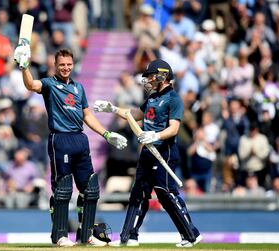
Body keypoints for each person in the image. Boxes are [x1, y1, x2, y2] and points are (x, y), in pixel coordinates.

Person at [13, 46, 128, 247]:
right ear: (55, 66)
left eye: (68, 64)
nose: (65, 68)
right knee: (63, 190)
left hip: (80, 140)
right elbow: (31, 85)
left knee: (90, 189)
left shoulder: (79, 88)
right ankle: (59, 236)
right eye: (62, 65)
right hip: (61, 139)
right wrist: (24, 67)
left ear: (73, 65)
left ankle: (87, 235)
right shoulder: (49, 84)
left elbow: (88, 116)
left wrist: (107, 134)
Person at [94, 59, 202, 247]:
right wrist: (112, 108)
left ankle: (191, 234)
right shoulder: (152, 98)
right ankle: (129, 237)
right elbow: (135, 114)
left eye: (151, 76)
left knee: (165, 193)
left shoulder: (173, 98)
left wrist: (155, 135)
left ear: (163, 75)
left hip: (164, 150)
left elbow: (174, 128)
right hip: (147, 152)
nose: (149, 80)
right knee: (138, 193)